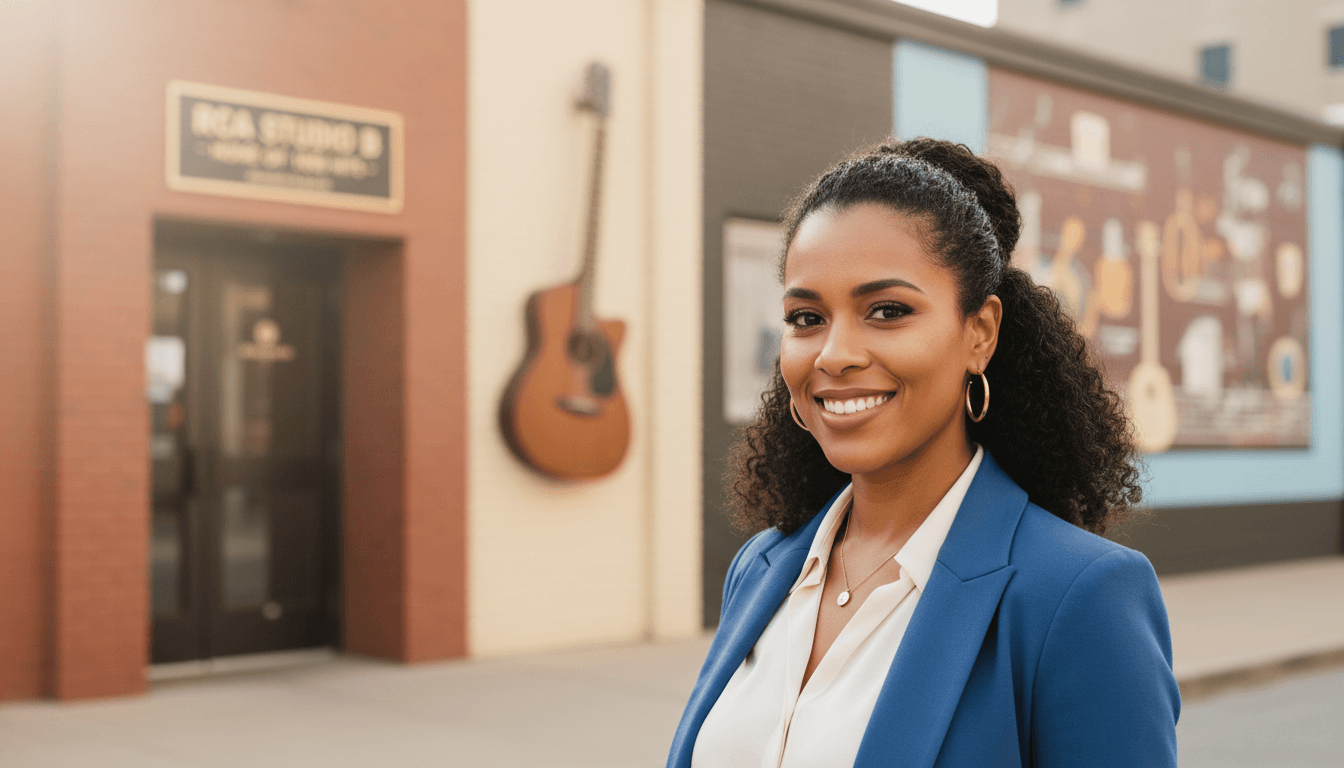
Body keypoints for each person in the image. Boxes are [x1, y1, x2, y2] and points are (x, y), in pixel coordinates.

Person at [668, 138, 1179, 768]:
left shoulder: (1077, 597)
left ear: (979, 334)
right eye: (806, 318)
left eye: (887, 311)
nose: (833, 354)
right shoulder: (764, 568)